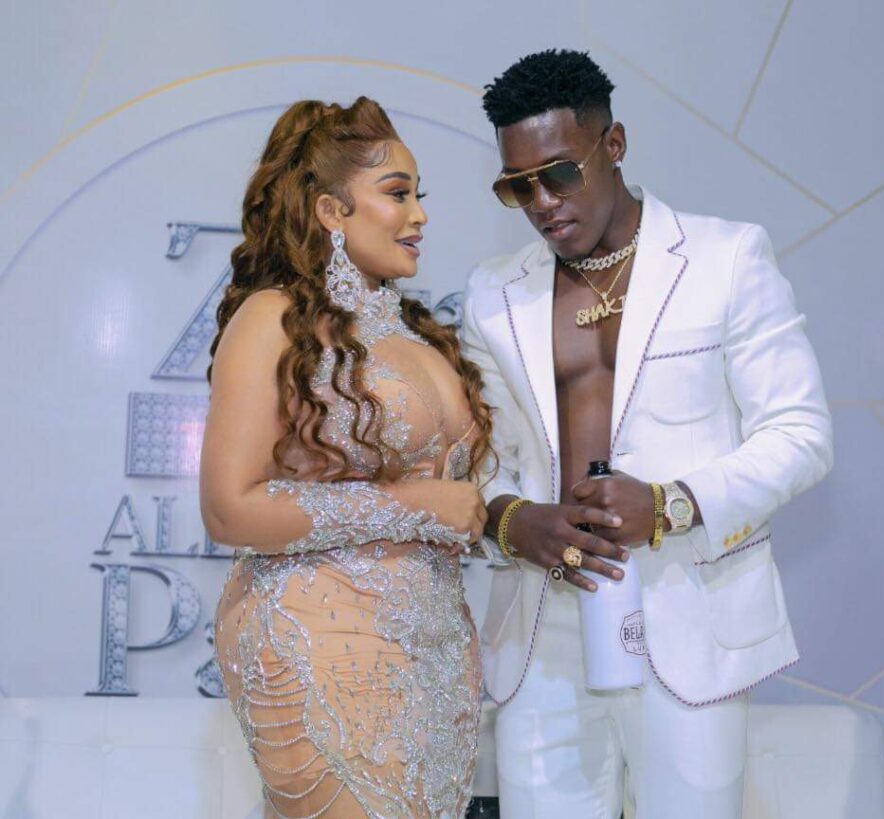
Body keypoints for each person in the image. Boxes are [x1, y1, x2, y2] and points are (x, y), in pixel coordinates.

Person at [461, 50, 834, 818]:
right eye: (518, 186)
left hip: (686, 615)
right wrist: (510, 519)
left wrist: (670, 504)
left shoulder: (725, 258)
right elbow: (478, 458)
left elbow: (800, 433)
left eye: (560, 174)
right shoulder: (494, 293)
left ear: (615, 143)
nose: (542, 202)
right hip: (544, 627)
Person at [200, 97, 493, 819]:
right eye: (397, 193)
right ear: (332, 211)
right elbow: (229, 508)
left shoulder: (419, 335)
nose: (419, 215)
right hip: (317, 636)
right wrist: (414, 504)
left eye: (419, 195)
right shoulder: (271, 318)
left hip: (436, 650)